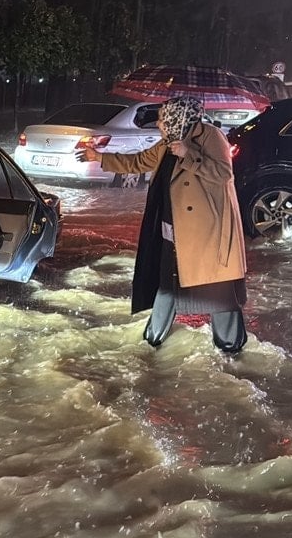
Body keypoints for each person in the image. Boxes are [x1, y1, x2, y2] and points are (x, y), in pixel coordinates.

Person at [77, 95, 248, 354]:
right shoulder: (168, 142)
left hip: (206, 232)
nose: (158, 123)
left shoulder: (211, 136)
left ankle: (230, 349)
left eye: (161, 118)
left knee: (217, 290)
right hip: (172, 228)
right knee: (167, 284)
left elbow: (223, 174)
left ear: (177, 118)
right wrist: (99, 157)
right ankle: (151, 343)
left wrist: (189, 154)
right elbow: (138, 162)